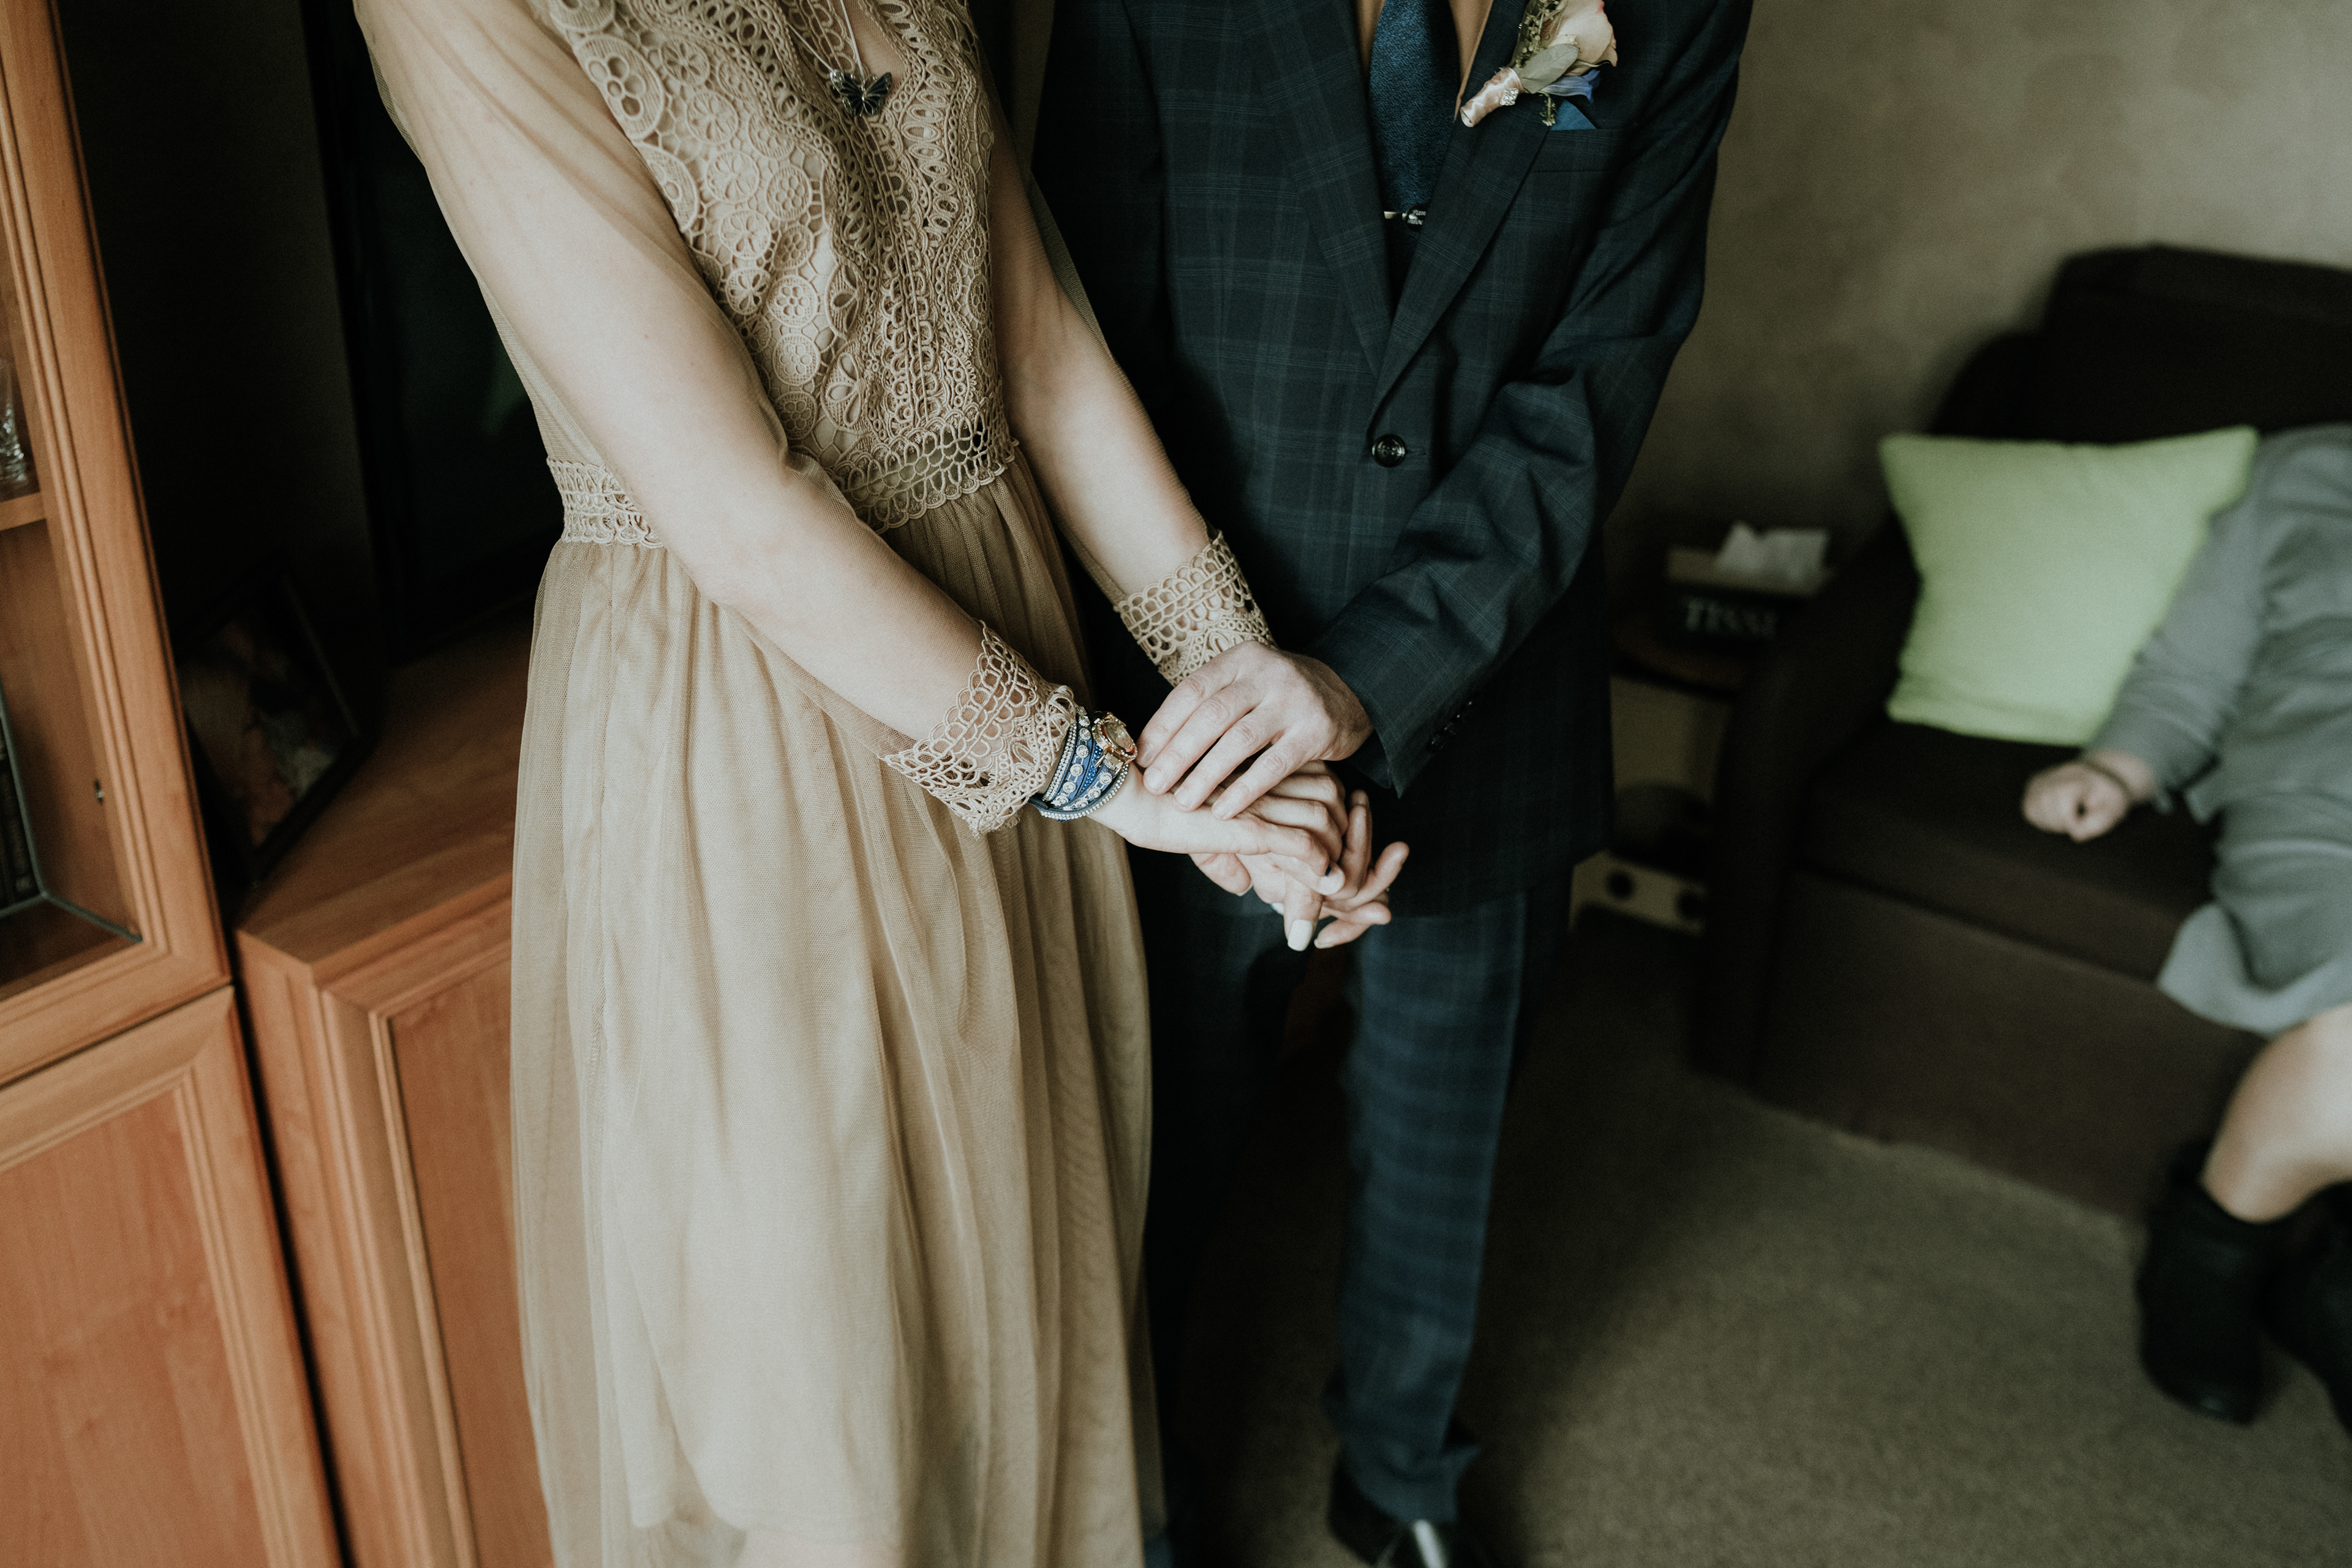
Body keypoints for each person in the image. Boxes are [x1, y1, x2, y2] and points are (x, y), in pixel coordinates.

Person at [358, 1, 1393, 1562]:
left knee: (1013, 1273)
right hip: (755, 708)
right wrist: (1113, 777)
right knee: (819, 1342)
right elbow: (739, 514)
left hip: (1009, 623)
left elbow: (1043, 359)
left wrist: (1241, 716)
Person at [1035, 2, 1753, 1562]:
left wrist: (1370, 675)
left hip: (1491, 674)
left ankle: (1402, 1470)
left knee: (1445, 1137)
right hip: (1196, 701)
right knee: (1153, 1135)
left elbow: (1597, 381)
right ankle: (1134, 1487)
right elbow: (1080, 331)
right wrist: (1219, 687)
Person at [2022, 424, 2352, 1441]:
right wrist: (2114, 771)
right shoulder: (2305, 471)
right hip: (2323, 818)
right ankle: (2210, 1255)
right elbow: (2191, 674)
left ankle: (2330, 1289)